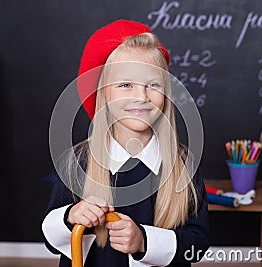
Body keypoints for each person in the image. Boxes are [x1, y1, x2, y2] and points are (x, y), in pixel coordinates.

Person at [42, 19, 210, 267]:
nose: (141, 97)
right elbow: (50, 239)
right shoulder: (78, 161)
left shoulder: (182, 164)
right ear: (104, 93)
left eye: (153, 85)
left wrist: (144, 241)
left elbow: (197, 245)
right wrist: (70, 217)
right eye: (125, 85)